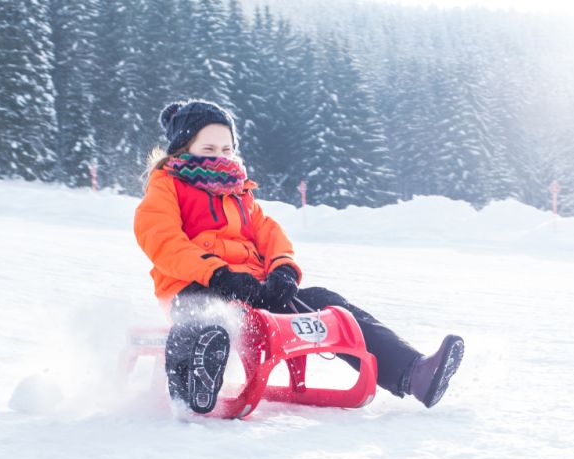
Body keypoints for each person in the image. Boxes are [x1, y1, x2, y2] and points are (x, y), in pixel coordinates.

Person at [133, 99, 464, 415]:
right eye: (208, 149)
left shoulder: (239, 191)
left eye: (226, 148)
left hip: (252, 288)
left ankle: (412, 372)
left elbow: (269, 233)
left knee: (328, 306)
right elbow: (162, 240)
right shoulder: (167, 187)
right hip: (195, 287)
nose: (219, 156)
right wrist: (218, 274)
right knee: (209, 318)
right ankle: (193, 385)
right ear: (182, 149)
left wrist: (283, 270)